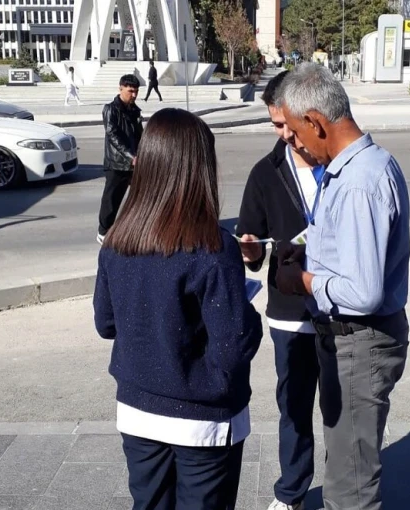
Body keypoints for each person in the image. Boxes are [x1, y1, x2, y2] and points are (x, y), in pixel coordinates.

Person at [93, 108, 264, 509]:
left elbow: (105, 323)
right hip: (202, 419)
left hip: (137, 409)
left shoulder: (119, 240)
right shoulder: (213, 247)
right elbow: (232, 348)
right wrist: (249, 315)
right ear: (198, 169)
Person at [273, 63, 410, 510]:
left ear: (315, 122)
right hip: (351, 342)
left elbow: (363, 292)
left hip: (361, 341)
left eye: (295, 132)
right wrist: (306, 253)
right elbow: (342, 246)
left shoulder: (359, 181)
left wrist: (305, 280)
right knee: (345, 464)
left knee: (349, 486)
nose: (292, 142)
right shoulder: (350, 168)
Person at [236, 70, 322, 510]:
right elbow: (251, 246)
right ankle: (292, 492)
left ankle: (350, 492)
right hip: (290, 312)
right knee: (293, 407)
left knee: (346, 411)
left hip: (345, 308)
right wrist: (250, 251)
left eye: (289, 123)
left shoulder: (340, 162)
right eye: (275, 125)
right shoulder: (265, 173)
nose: (285, 134)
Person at [97, 74, 143, 244]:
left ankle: (133, 229)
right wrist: (131, 157)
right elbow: (113, 135)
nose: (134, 95)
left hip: (135, 163)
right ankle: (104, 232)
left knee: (139, 197)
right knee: (111, 200)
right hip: (116, 163)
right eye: (130, 91)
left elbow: (140, 135)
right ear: (120, 88)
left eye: (136, 91)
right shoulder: (110, 109)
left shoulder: (135, 110)